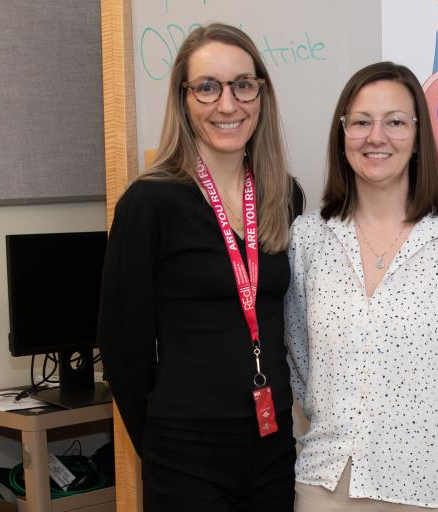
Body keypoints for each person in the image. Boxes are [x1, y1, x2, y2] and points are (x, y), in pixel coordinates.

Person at [285, 62, 438, 512]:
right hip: (324, 488)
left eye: (394, 122)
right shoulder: (308, 239)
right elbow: (300, 357)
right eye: (361, 122)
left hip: (429, 491)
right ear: (342, 134)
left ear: (417, 136)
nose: (376, 137)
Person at [98, 23, 303, 512]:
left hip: (272, 446)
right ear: (184, 99)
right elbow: (122, 347)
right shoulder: (150, 203)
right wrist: (161, 446)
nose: (228, 105)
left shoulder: (283, 196)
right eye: (208, 87)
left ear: (261, 94)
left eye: (242, 85)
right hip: (186, 455)